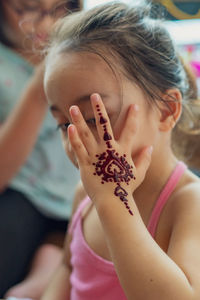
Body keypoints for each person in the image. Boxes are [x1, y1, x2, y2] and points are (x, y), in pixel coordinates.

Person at [43, 1, 200, 299]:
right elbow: (68, 269)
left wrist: (114, 203)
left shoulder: (189, 204)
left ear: (166, 110)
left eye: (93, 119)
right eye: (64, 125)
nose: (78, 141)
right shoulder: (84, 196)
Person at [0, 0, 82, 299]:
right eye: (27, 8)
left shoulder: (82, 56)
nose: (46, 24)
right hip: (22, 199)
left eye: (59, 8)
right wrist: (38, 90)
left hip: (74, 202)